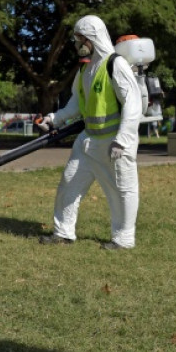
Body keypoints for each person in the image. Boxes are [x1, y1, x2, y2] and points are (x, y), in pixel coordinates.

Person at [37, 15, 142, 250]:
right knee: (69, 184)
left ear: (93, 37)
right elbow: (76, 103)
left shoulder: (116, 65)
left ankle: (123, 239)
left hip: (113, 142)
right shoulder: (85, 70)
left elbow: (132, 104)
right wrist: (55, 119)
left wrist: (122, 140)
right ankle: (63, 232)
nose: (77, 43)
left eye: (80, 38)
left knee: (122, 191)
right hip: (87, 141)